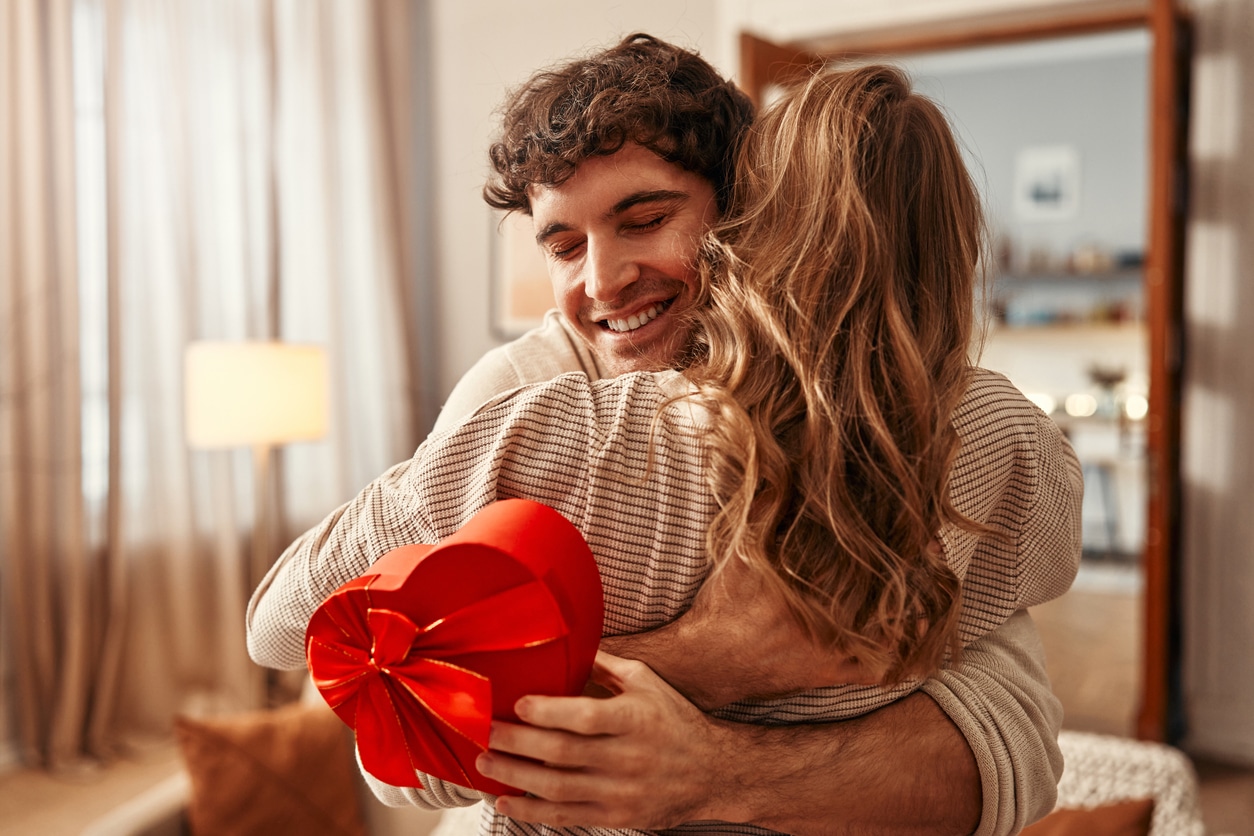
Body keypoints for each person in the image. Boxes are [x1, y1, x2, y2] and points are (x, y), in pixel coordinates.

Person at [247, 38, 1080, 836]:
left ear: (745, 214)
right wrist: (709, 656)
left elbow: (1020, 746)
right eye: (564, 246)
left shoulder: (932, 417)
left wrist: (718, 769)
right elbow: (396, 760)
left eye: (643, 220)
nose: (601, 282)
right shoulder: (518, 401)